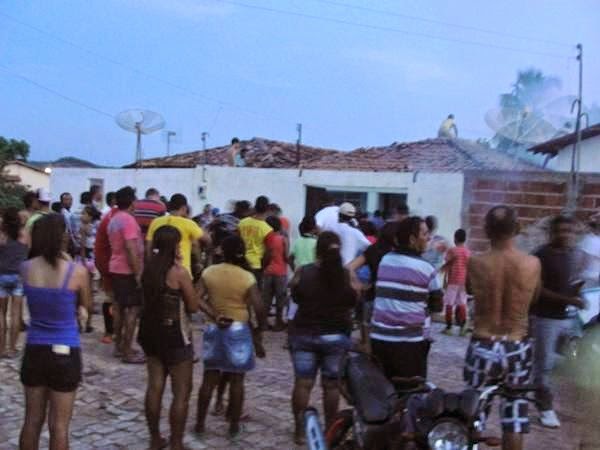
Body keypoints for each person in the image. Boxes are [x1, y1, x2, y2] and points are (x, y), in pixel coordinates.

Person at [464, 205, 541, 450]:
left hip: (482, 343)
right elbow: (534, 298)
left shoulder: (475, 262)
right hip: (517, 344)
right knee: (514, 417)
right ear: (518, 228)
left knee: (472, 411)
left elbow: (469, 289)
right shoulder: (533, 263)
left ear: (486, 230)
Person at [19, 213, 91, 450]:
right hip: (65, 349)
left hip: (35, 348)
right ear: (62, 237)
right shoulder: (77, 272)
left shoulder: (26, 269)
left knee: (32, 420)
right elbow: (86, 306)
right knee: (59, 426)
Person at [138, 225, 205, 450]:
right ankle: (176, 443)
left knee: (154, 387)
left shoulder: (148, 269)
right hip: (175, 335)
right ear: (175, 246)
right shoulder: (178, 272)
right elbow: (193, 306)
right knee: (181, 392)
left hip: (150, 333)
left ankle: (154, 438)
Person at [288, 231, 358, 444]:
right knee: (331, 386)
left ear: (317, 250)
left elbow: (295, 295)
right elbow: (354, 300)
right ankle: (329, 430)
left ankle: (300, 431)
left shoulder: (304, 271)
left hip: (304, 333)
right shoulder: (345, 275)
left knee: (303, 383)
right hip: (335, 336)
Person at [195, 235, 267, 439]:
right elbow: (259, 307)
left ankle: (200, 424)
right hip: (238, 329)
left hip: (214, 327)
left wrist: (214, 314)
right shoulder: (247, 277)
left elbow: (196, 297)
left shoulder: (209, 272)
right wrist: (259, 331)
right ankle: (233, 426)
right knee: (237, 381)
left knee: (209, 378)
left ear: (223, 251)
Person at [369, 216, 442, 379]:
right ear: (412, 239)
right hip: (409, 342)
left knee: (383, 386)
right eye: (424, 234)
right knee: (411, 388)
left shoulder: (385, 260)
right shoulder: (427, 268)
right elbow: (437, 305)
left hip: (379, 338)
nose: (428, 238)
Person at [531, 215, 587, 428]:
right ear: (551, 233)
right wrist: (569, 299)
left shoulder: (573, 254)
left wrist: (578, 294)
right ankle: (544, 408)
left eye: (569, 231)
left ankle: (540, 394)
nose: (565, 235)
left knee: (563, 362)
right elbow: (537, 290)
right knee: (544, 364)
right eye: (560, 230)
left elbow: (571, 284)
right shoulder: (541, 255)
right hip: (545, 317)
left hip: (568, 317)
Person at [107, 186, 145, 364]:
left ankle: (119, 346)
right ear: (131, 202)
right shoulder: (128, 220)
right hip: (127, 270)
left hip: (115, 268)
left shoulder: (114, 219)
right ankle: (128, 351)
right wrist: (138, 273)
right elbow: (130, 248)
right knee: (132, 310)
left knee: (119, 308)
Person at [146, 194, 210, 277]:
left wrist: (151, 264)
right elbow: (207, 239)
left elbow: (148, 246)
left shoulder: (156, 221)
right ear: (184, 208)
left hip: (159, 269)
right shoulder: (188, 223)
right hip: (181, 269)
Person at [0, 208, 28, 358]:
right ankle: (12, 348)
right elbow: (28, 253)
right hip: (18, 277)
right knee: (16, 314)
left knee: (2, 314)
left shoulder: (2, 235)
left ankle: (1, 349)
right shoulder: (24, 234)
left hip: (1, 275)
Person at [94, 203, 119, 345]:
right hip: (110, 263)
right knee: (111, 298)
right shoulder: (115, 218)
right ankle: (110, 332)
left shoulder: (110, 216)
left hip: (105, 261)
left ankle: (112, 331)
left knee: (112, 297)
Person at [238, 195, 273, 287]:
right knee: (254, 291)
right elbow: (269, 252)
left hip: (241, 262)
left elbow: (237, 241)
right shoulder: (267, 229)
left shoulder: (242, 222)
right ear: (267, 209)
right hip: (256, 265)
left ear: (255, 207)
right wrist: (263, 266)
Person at [441, 229, 471, 335]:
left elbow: (447, 265)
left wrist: (444, 279)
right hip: (463, 283)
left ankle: (449, 327)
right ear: (465, 239)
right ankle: (462, 328)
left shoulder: (452, 251)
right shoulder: (468, 252)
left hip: (452, 281)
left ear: (455, 239)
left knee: (449, 303)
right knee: (462, 303)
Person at [262, 216, 289, 331]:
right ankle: (278, 322)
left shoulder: (266, 239)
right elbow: (286, 256)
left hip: (268, 271)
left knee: (266, 299)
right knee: (280, 298)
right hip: (281, 271)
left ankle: (263, 323)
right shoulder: (283, 239)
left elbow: (264, 254)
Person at [579, 214, 600, 287]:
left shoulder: (588, 239)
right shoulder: (591, 240)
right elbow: (582, 263)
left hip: (590, 277)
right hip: (591, 278)